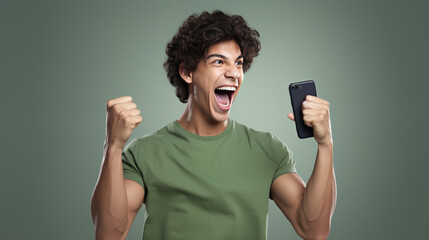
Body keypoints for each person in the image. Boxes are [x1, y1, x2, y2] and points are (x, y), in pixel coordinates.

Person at [91, 10, 336, 240]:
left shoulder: (267, 149)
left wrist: (325, 144)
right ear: (187, 72)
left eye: (238, 63)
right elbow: (109, 234)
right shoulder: (144, 152)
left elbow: (313, 229)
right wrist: (112, 147)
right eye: (219, 62)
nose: (234, 73)